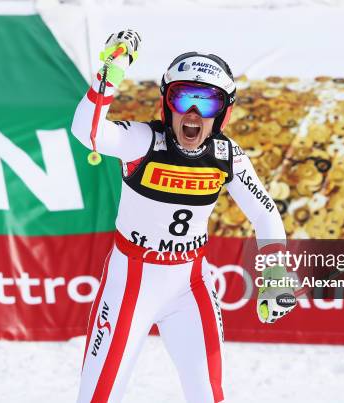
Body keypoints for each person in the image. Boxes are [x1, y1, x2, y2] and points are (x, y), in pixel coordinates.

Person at [71, 30, 296, 403]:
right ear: (166, 105)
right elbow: (87, 132)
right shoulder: (142, 141)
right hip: (130, 284)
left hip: (191, 285)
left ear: (223, 113)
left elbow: (266, 212)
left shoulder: (228, 156)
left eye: (206, 103)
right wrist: (108, 76)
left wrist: (275, 277)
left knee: (208, 395)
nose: (192, 114)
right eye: (182, 98)